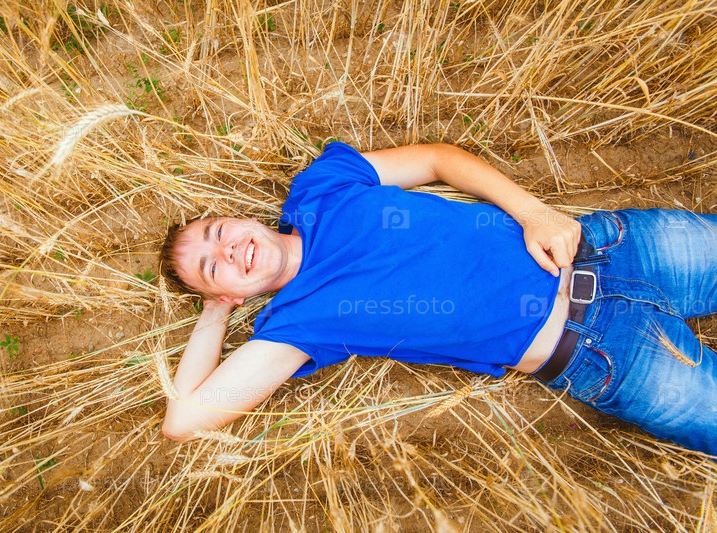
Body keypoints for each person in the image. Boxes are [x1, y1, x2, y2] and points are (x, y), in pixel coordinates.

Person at [159, 142, 717, 455]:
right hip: (603, 352)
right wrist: (214, 313)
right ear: (226, 294)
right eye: (213, 267)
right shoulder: (293, 327)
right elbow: (183, 419)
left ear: (238, 219)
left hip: (616, 249)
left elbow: (435, 160)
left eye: (218, 232)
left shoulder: (319, 189)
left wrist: (534, 212)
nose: (229, 250)